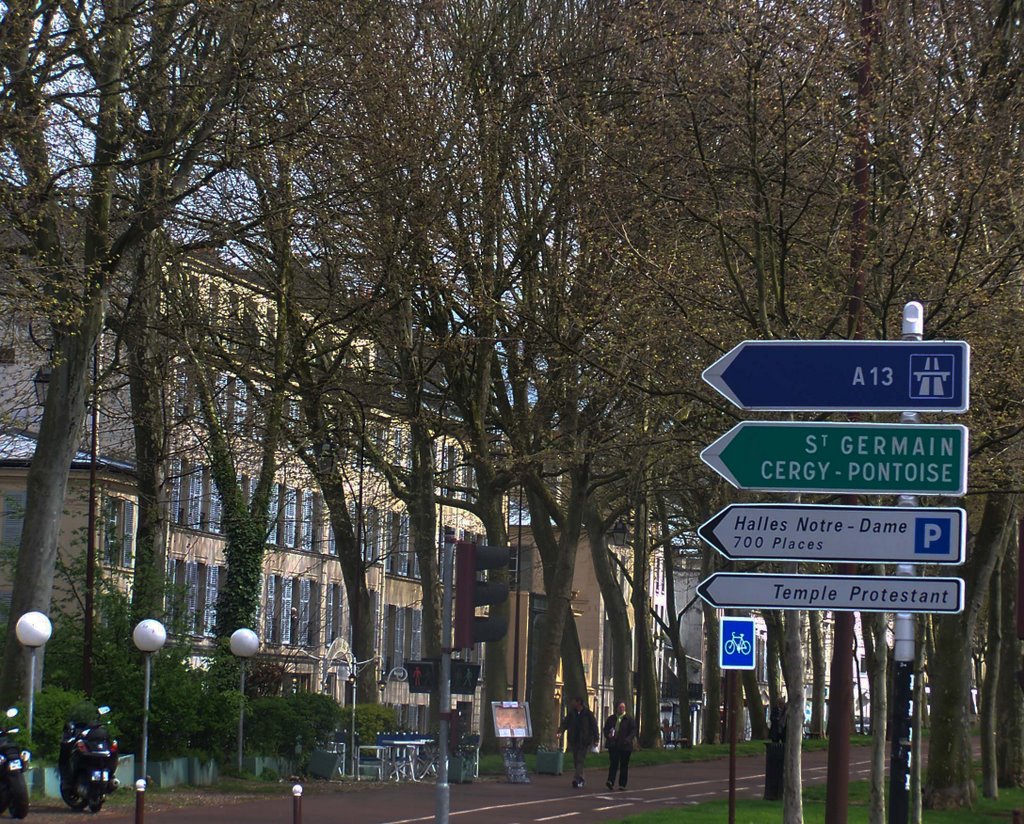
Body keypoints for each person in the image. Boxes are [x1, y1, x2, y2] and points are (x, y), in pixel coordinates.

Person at [557, 695, 599, 788]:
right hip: (574, 740)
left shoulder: (588, 714)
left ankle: (576, 779)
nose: (573, 703)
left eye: (574, 701)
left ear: (579, 702)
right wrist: (560, 731)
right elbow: (565, 723)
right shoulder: (572, 713)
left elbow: (594, 726)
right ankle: (581, 778)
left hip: (584, 740)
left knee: (580, 759)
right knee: (576, 760)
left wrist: (596, 739)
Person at [603, 700, 636, 791]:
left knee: (624, 765)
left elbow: (633, 731)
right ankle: (610, 781)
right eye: (620, 707)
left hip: (625, 746)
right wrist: (608, 735)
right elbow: (606, 729)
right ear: (616, 708)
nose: (622, 709)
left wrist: (628, 740)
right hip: (613, 744)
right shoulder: (611, 719)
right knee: (613, 763)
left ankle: (622, 784)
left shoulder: (629, 719)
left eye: (623, 707)